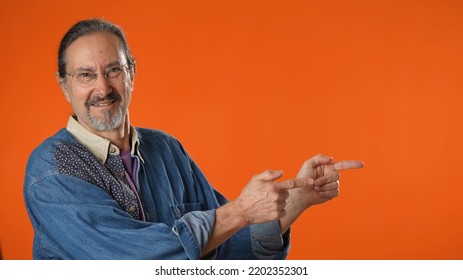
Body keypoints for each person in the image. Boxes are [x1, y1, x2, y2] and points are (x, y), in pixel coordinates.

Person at [24, 19, 363, 260]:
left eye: (113, 70)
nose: (102, 88)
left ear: (132, 74)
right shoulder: (52, 169)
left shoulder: (166, 150)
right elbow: (136, 262)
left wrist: (296, 202)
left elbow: (226, 250)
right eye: (85, 75)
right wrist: (240, 212)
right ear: (64, 84)